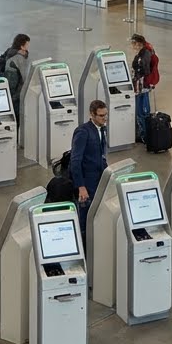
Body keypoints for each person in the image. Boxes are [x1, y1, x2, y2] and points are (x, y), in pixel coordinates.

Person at [69, 100, 109, 242]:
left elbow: (101, 155)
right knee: (85, 217)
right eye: (101, 116)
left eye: (106, 115)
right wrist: (81, 187)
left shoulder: (102, 129)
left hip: (99, 178)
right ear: (92, 114)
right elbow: (75, 161)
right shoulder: (83, 132)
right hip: (87, 181)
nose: (104, 118)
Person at [130, 33, 159, 127]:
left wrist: (135, 77)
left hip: (141, 84)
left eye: (133, 43)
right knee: (143, 105)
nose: (132, 45)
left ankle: (142, 129)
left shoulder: (142, 56)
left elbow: (145, 70)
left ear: (138, 44)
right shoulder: (147, 51)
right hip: (144, 84)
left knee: (140, 109)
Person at [2, 34, 30, 112]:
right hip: (15, 90)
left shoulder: (11, 51)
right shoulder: (19, 58)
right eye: (27, 44)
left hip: (9, 85)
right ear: (22, 46)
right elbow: (23, 78)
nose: (28, 46)